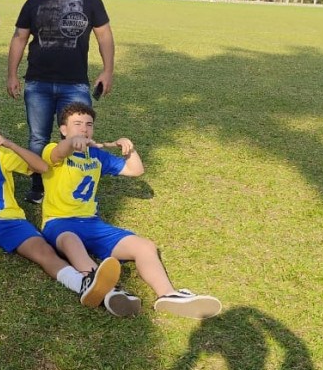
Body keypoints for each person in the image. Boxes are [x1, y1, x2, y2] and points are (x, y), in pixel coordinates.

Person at [41, 103, 222, 318]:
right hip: (59, 223)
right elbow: (59, 153)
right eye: (77, 124)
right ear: (63, 130)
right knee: (72, 242)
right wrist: (71, 143)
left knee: (144, 246)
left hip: (91, 223)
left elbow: (136, 170)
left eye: (88, 125)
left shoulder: (97, 156)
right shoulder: (52, 149)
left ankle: (168, 295)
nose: (84, 129)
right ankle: (104, 288)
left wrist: (129, 148)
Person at [0, 108, 121, 307]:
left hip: (11, 220)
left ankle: (82, 284)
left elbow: (42, 168)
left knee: (44, 252)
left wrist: (8, 143)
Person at [7, 0, 115, 204]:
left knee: (78, 136)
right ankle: (39, 185)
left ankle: (76, 183)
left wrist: (108, 70)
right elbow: (19, 38)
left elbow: (104, 35)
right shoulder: (34, 2)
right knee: (38, 137)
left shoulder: (90, 0)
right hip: (38, 83)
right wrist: (12, 74)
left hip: (75, 83)